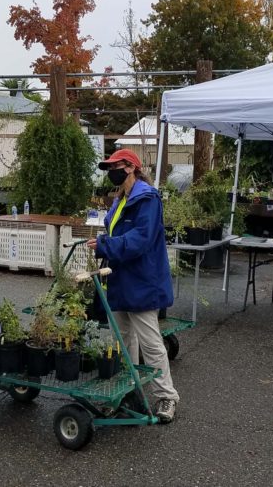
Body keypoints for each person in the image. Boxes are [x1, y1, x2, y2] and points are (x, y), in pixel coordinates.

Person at [86, 149, 180, 423]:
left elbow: (140, 239)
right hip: (120, 278)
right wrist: (105, 242)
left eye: (115, 167)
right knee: (122, 342)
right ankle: (128, 393)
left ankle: (166, 398)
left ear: (131, 168)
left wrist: (105, 244)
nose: (111, 172)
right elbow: (119, 233)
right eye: (109, 168)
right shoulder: (121, 199)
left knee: (150, 343)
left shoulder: (147, 199)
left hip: (141, 280)